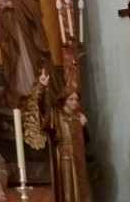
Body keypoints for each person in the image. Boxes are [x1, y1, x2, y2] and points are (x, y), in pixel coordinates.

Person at [0, 0, 52, 108]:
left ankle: (30, 90)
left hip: (22, 29)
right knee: (14, 58)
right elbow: (1, 2)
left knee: (25, 56)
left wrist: (11, 4)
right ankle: (18, 90)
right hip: (9, 26)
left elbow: (32, 4)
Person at [33, 69, 90, 202]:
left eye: (76, 99)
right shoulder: (57, 115)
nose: (74, 102)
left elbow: (86, 141)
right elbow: (42, 108)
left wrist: (82, 126)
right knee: (68, 190)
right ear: (64, 101)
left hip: (78, 158)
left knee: (81, 190)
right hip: (64, 159)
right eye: (71, 99)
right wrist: (42, 87)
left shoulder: (79, 117)